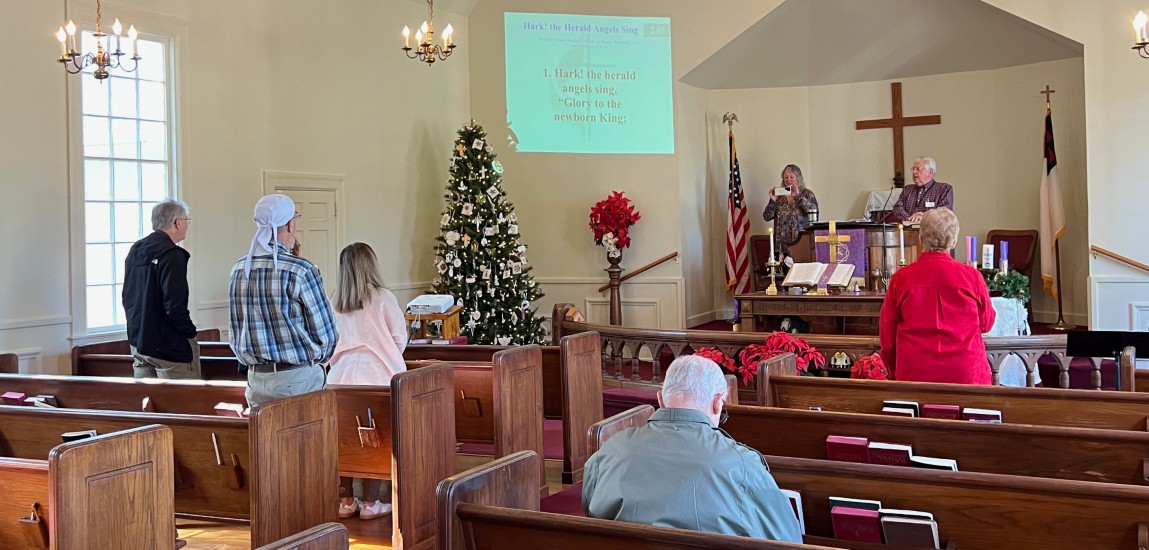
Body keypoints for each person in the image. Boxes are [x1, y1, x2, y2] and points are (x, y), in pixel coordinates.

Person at [582, 355, 803, 543]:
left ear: (661, 399)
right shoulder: (743, 464)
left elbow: (590, 516)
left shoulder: (610, 450)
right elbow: (788, 539)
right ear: (717, 402)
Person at [228, 194, 338, 406]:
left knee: (265, 430)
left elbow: (236, 328)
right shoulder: (301, 269)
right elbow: (327, 333)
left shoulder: (239, 269)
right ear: (290, 225)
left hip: (256, 379)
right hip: (296, 377)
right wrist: (316, 360)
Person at [328, 242, 407, 521]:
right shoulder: (383, 297)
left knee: (345, 440)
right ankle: (371, 504)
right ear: (370, 264)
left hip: (340, 376)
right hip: (377, 375)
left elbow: (329, 339)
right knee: (375, 439)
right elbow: (399, 338)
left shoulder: (335, 300)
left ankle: (346, 500)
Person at [879, 208, 995, 384]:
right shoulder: (972, 277)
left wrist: (894, 371)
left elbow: (887, 334)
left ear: (921, 238)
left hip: (914, 372)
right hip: (965, 373)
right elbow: (986, 323)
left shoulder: (901, 279)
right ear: (954, 241)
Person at [122, 199, 200, 379]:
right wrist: (190, 333)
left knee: (148, 397)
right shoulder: (172, 254)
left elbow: (128, 297)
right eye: (186, 221)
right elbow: (174, 305)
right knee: (181, 397)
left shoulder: (136, 249)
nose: (187, 225)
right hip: (169, 346)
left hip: (139, 342)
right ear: (177, 223)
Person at [762, 164, 818, 259]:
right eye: (786, 177)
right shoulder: (780, 196)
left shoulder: (807, 194)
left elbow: (813, 213)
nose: (788, 180)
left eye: (791, 177)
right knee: (781, 268)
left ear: (798, 178)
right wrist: (772, 201)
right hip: (781, 246)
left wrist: (798, 196)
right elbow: (767, 217)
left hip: (801, 244)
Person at [891, 157, 954, 223]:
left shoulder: (944, 189)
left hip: (932, 228)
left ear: (930, 172)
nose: (914, 172)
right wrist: (910, 218)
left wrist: (925, 217)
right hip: (908, 227)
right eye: (913, 169)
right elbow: (897, 208)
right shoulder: (907, 189)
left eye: (918, 169)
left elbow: (945, 212)